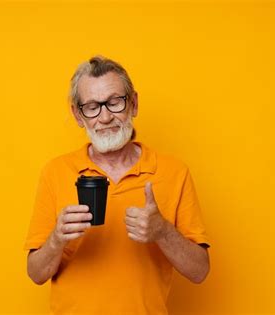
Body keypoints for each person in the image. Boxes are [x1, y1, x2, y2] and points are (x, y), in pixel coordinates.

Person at [24, 55, 211, 315]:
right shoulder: (55, 172)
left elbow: (199, 271)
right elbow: (36, 273)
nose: (105, 117)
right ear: (78, 115)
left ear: (133, 103)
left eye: (114, 102)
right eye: (92, 107)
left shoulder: (174, 172)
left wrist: (162, 231)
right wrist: (56, 239)